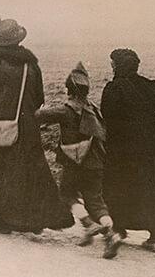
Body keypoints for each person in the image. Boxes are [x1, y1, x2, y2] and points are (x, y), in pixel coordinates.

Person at [0, 17, 73, 234]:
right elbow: (39, 97)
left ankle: (1, 220)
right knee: (28, 171)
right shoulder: (31, 63)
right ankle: (33, 219)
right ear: (18, 38)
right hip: (26, 126)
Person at [100, 48, 155, 252]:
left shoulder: (113, 89)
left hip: (123, 149)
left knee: (120, 186)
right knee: (153, 189)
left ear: (117, 66)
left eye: (113, 64)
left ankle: (119, 229)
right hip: (153, 148)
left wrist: (123, 133)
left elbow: (107, 117)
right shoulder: (152, 87)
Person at [37, 62, 122, 258]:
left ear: (69, 89)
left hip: (75, 162)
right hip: (96, 162)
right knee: (95, 201)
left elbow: (39, 116)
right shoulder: (93, 109)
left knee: (67, 193)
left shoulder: (66, 110)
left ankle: (88, 224)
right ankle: (112, 234)